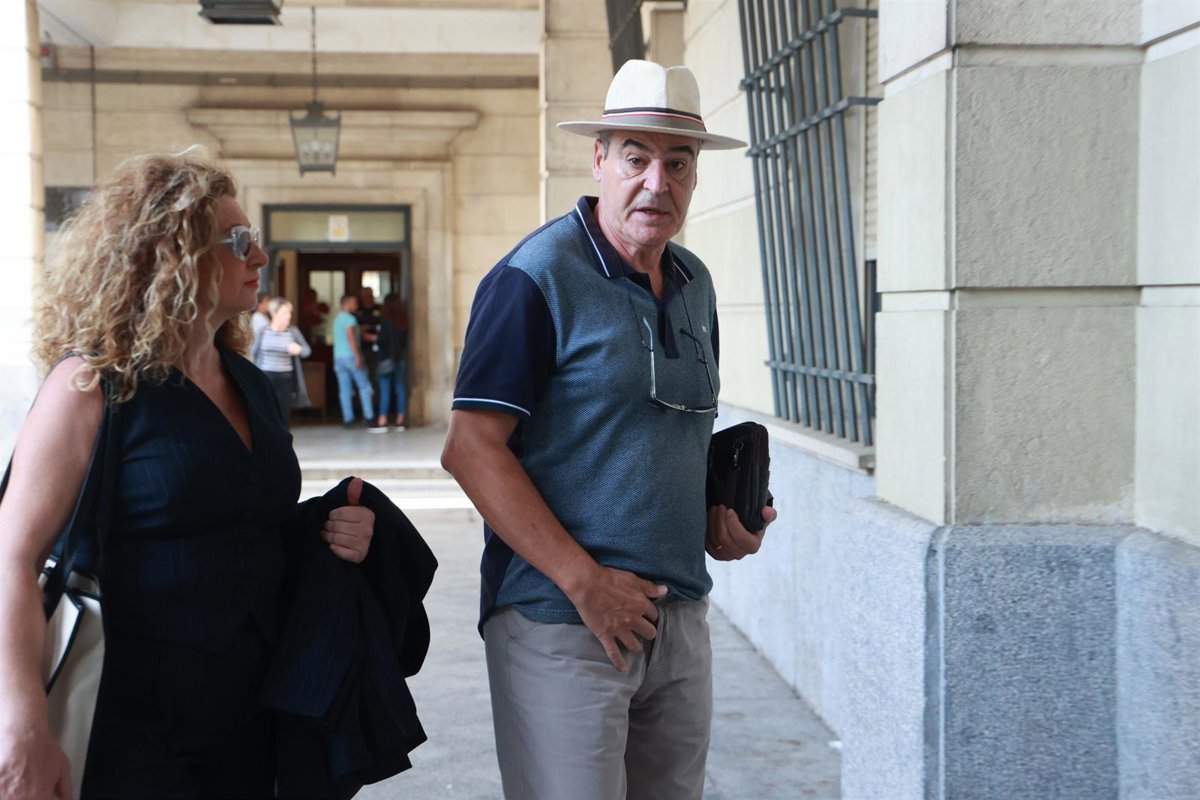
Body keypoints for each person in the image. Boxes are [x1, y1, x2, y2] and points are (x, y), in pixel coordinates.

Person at [441, 60, 777, 799]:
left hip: (679, 620)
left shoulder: (694, 282)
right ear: (599, 160)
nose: (657, 182)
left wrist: (720, 519)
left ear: (695, 174)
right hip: (561, 621)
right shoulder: (534, 278)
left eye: (678, 163)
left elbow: (664, 433)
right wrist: (584, 582)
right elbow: (470, 449)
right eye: (636, 157)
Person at [0, 153, 379, 799]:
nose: (259, 256)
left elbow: (249, 522)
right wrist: (21, 724)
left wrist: (333, 527)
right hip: (129, 723)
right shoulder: (91, 385)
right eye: (238, 240)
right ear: (171, 255)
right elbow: (13, 556)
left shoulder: (250, 384)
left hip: (254, 717)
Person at [252, 296, 312, 428]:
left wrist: (299, 349)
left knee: (283, 415)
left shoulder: (293, 331)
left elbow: (307, 351)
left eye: (290, 312)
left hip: (286, 378)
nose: (289, 316)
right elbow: (253, 353)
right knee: (266, 413)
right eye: (285, 312)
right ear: (274, 313)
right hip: (265, 376)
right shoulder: (262, 331)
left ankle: (283, 439)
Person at [331, 294, 381, 430]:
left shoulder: (337, 319)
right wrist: (358, 356)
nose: (357, 306)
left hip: (338, 358)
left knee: (345, 389)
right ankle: (369, 417)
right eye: (354, 303)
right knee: (365, 386)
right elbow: (351, 339)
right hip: (350, 356)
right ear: (346, 304)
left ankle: (348, 419)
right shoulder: (350, 319)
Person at [374, 292, 408, 431]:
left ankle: (383, 419)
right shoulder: (403, 321)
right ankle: (400, 419)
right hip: (399, 358)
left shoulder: (385, 321)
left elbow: (382, 340)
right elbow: (404, 342)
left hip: (386, 359)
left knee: (385, 389)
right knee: (400, 388)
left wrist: (375, 339)